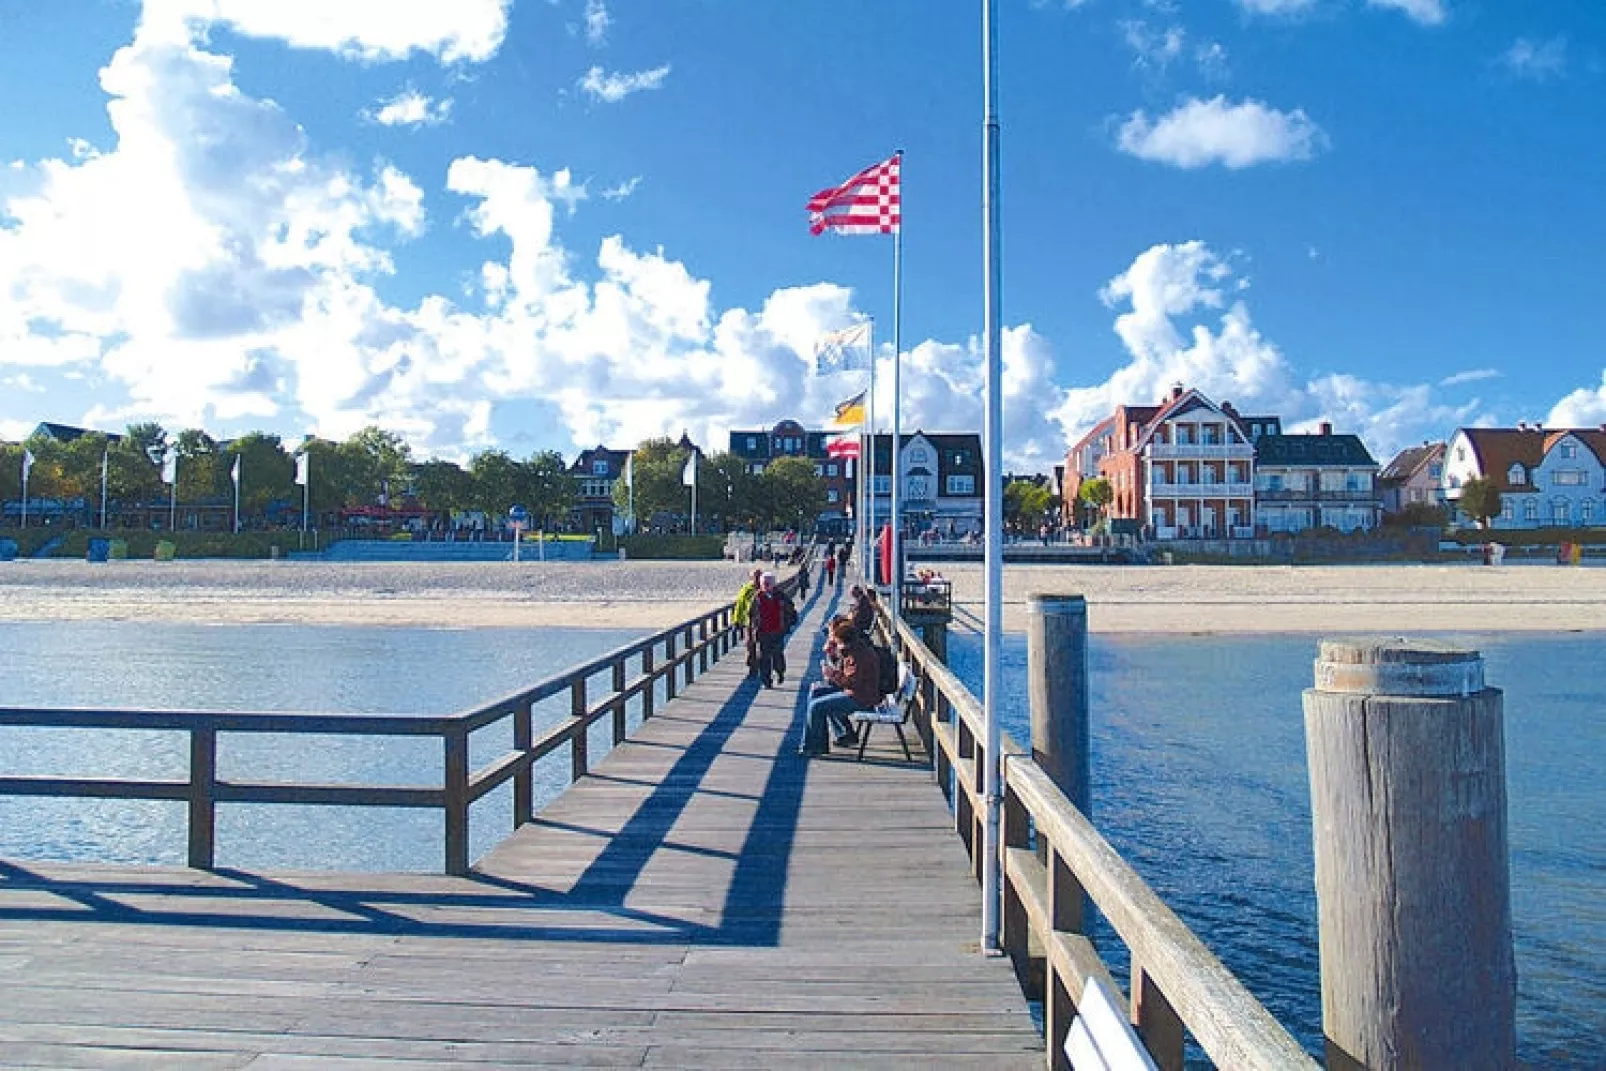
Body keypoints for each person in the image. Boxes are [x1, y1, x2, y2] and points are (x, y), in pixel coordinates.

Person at [799, 619, 881, 755]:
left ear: (845, 641)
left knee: (816, 707)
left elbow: (852, 683)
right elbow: (849, 678)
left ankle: (813, 747)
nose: (837, 645)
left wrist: (832, 675)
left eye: (838, 642)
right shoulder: (855, 649)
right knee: (816, 692)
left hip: (861, 698)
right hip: (856, 693)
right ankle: (824, 741)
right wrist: (834, 665)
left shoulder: (859, 656)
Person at [752, 572, 794, 688]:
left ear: (773, 584)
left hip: (777, 631)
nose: (766, 586)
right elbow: (751, 614)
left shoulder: (781, 596)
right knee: (764, 657)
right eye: (764, 584)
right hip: (763, 631)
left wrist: (788, 624)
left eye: (768, 583)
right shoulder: (757, 597)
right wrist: (753, 628)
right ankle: (766, 681)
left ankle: (780, 672)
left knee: (777, 654)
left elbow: (791, 610)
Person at [733, 568, 761, 676]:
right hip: (749, 622)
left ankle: (760, 666)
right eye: (755, 577)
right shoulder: (746, 589)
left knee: (762, 646)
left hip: (763, 623)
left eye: (758, 577)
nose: (757, 579)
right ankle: (752, 667)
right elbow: (739, 606)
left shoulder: (766, 588)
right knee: (750, 644)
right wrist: (736, 621)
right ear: (751, 578)